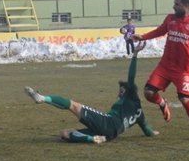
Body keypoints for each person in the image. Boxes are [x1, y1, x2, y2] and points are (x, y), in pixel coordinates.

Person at [25, 41, 159, 143]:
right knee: (65, 133)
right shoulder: (139, 114)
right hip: (111, 134)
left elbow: (131, 76)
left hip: (107, 122)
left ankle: (42, 98)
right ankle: (92, 138)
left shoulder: (132, 97)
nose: (119, 94)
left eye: (121, 91)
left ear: (129, 91)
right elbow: (147, 130)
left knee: (74, 105)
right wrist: (154, 133)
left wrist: (135, 54)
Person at [132, 0, 189, 123]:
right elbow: (160, 31)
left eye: (177, 4)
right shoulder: (170, 19)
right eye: (174, 4)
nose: (174, 6)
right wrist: (142, 36)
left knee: (185, 99)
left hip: (183, 70)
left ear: (186, 6)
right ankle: (162, 103)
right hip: (165, 66)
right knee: (148, 93)